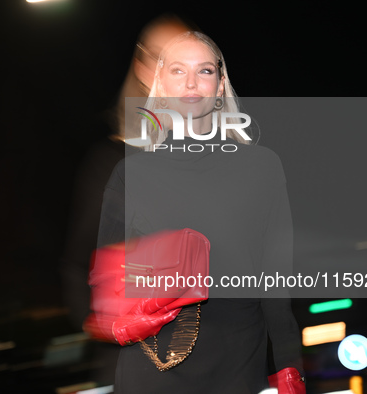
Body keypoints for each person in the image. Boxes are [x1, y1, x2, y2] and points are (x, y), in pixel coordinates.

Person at [95, 31, 304, 393]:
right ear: (160, 84)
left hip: (237, 364)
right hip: (153, 366)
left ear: (221, 85)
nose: (191, 82)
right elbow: (108, 277)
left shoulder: (262, 167)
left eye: (204, 70)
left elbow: (276, 279)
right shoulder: (129, 173)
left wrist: (289, 364)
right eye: (177, 70)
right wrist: (117, 324)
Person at [59, 15, 193, 387]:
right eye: (163, 60)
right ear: (142, 67)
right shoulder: (108, 164)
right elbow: (76, 264)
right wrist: (102, 320)